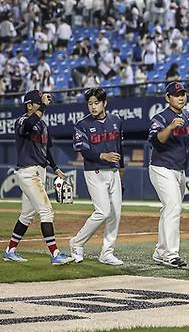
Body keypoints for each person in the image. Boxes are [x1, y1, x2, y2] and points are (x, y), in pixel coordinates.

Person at [2, 90, 73, 265]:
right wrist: (43, 107)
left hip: (38, 170)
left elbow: (46, 149)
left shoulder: (42, 124)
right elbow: (27, 127)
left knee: (27, 214)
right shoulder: (22, 120)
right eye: (38, 102)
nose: (42, 103)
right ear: (29, 105)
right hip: (28, 171)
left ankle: (10, 250)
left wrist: (55, 168)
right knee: (46, 210)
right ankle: (55, 254)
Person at [69, 88, 125, 266]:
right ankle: (76, 243)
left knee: (115, 214)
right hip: (95, 171)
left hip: (114, 171)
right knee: (102, 211)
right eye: (90, 103)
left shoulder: (116, 121)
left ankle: (107, 252)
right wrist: (103, 156)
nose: (93, 107)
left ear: (104, 103)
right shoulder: (82, 124)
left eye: (96, 103)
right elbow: (84, 151)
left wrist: (121, 168)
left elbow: (119, 147)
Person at [148, 82, 189, 268]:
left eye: (183, 94)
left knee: (169, 209)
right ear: (167, 98)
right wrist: (169, 127)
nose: (181, 97)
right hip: (162, 167)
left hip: (179, 169)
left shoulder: (187, 116)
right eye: (176, 94)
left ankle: (160, 251)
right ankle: (171, 254)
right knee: (173, 207)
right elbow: (156, 141)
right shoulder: (160, 117)